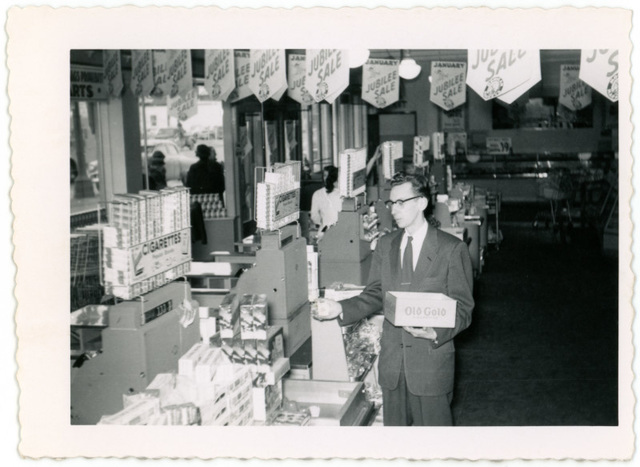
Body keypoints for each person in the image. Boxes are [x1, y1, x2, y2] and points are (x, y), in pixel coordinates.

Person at [315, 172, 474, 426]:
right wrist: (339, 307)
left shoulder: (451, 249)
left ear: (421, 202)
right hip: (392, 368)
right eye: (391, 203)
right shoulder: (386, 245)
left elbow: (464, 308)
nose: (394, 210)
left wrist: (435, 332)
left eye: (401, 202)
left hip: (430, 366)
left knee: (435, 449)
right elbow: (376, 293)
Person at [310, 165, 342, 236]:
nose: (325, 178)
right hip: (341, 231)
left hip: (324, 232)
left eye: (326, 176)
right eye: (324, 175)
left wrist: (322, 222)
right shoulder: (342, 194)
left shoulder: (317, 194)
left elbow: (314, 216)